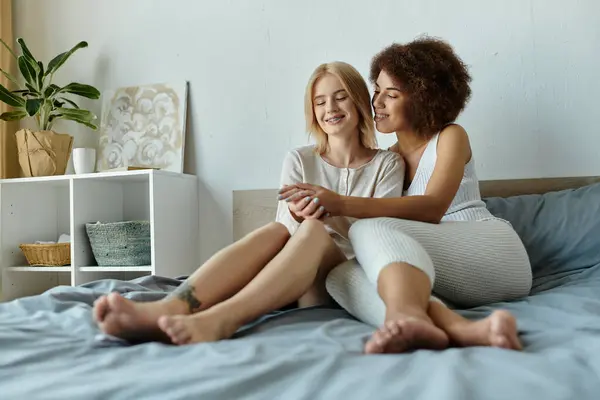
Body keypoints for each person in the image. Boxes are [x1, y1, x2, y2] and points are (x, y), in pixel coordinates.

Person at [92, 61, 405, 345]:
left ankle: (220, 320)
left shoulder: (387, 164)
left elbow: (380, 235)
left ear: (359, 101)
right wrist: (296, 215)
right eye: (320, 102)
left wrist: (331, 212)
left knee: (312, 231)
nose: (330, 108)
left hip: (344, 278)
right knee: (277, 230)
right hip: (293, 277)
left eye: (340, 97)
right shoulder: (300, 159)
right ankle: (173, 306)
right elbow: (285, 228)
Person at [278, 37, 533, 354]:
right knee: (341, 275)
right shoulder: (388, 161)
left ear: (424, 100)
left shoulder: (450, 137)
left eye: (392, 94)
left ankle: (406, 314)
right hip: (439, 267)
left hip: (492, 252)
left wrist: (340, 205)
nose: (377, 103)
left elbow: (432, 208)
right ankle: (462, 329)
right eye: (377, 91)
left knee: (368, 228)